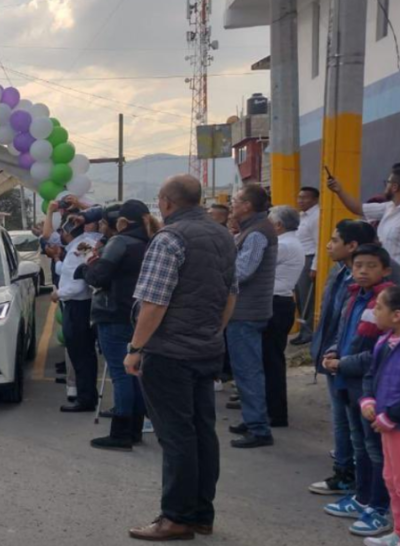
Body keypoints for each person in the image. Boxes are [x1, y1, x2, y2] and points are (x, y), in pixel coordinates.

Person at [126, 175, 237, 541]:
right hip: (206, 348)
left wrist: (136, 348)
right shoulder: (223, 236)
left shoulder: (169, 239)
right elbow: (230, 294)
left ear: (167, 202)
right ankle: (202, 513)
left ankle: (176, 517)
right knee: (203, 432)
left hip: (168, 352)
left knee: (176, 436)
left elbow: (155, 302)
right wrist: (213, 332)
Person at [323, 245, 395, 536]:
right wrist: (332, 351)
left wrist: (342, 363)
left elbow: (375, 354)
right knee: (360, 445)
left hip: (367, 387)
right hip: (350, 384)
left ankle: (378, 506)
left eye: (371, 266)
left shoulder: (386, 304)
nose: (363, 271)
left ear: (385, 270)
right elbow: (343, 334)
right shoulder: (353, 295)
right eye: (358, 265)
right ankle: (362, 497)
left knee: (375, 450)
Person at [309, 220, 378, 497]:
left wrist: (343, 358)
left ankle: (361, 487)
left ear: (352, 246)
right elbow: (335, 319)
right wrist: (330, 351)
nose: (328, 245)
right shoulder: (340, 273)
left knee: (361, 432)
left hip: (358, 366)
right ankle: (347, 473)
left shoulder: (378, 286)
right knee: (344, 422)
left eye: (335, 240)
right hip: (337, 357)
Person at [79, 200, 153, 451]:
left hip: (113, 313)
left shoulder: (119, 242)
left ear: (120, 222)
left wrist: (88, 266)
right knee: (134, 372)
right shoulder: (148, 241)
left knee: (121, 374)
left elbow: (99, 277)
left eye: (103, 222)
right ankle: (134, 429)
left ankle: (121, 432)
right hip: (137, 314)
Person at [225, 184, 278, 449]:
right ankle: (251, 418)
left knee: (248, 370)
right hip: (247, 310)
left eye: (236, 200)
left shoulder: (257, 233)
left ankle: (258, 428)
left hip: (247, 311)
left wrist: (218, 269)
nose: (232, 204)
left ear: (247, 206)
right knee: (245, 368)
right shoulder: (252, 229)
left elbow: (243, 271)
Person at [46, 200, 103, 413]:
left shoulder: (80, 247)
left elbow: (77, 284)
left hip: (77, 307)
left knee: (81, 355)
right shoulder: (82, 246)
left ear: (68, 232)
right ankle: (86, 396)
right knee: (83, 354)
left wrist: (58, 294)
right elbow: (69, 271)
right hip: (81, 306)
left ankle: (85, 398)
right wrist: (57, 260)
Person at [358, 286, 400, 546]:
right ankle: (399, 532)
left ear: (397, 315)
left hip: (397, 425)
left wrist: (392, 416)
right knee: (391, 479)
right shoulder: (384, 342)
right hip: (386, 424)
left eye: (379, 307)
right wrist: (368, 399)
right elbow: (371, 375)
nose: (374, 312)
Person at [263, 205, 304, 428]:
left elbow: (257, 264)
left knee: (272, 360)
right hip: (280, 302)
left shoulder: (284, 245)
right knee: (271, 359)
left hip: (276, 303)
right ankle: (271, 409)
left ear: (278, 225)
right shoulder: (290, 242)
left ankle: (275, 412)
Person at [328, 163, 400, 267]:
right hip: (385, 272)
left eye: (388, 182)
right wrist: (339, 191)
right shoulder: (388, 207)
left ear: (394, 187)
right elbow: (359, 208)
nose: (385, 186)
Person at [292, 187, 322, 345]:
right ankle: (303, 330)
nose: (300, 201)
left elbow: (319, 243)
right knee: (299, 298)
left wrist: (315, 266)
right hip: (299, 259)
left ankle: (308, 332)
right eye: (299, 197)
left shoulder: (316, 216)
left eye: (305, 198)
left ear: (315, 199)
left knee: (307, 298)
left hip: (309, 259)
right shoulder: (302, 216)